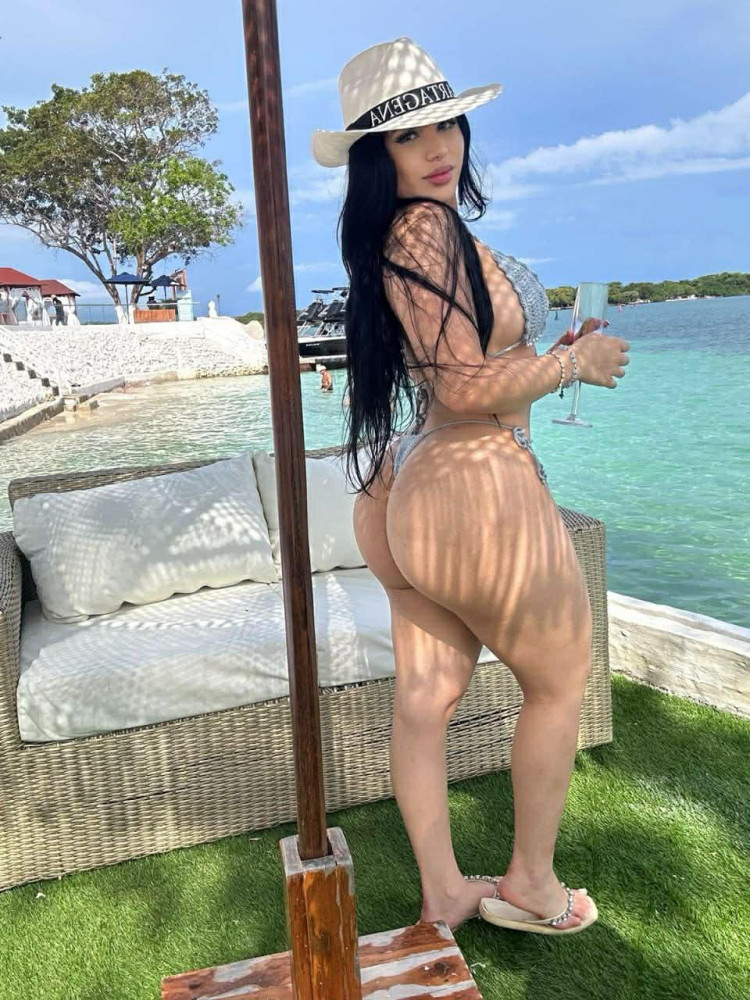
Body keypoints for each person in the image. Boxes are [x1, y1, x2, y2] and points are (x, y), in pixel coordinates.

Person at [313, 37, 629, 935]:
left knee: (426, 699)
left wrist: (536, 358)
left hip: (405, 485)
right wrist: (573, 367)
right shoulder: (424, 228)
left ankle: (446, 891)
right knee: (560, 681)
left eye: (446, 124)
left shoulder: (392, 239)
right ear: (377, 157)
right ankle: (532, 885)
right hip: (472, 484)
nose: (438, 146)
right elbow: (459, 384)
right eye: (409, 136)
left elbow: (455, 366)